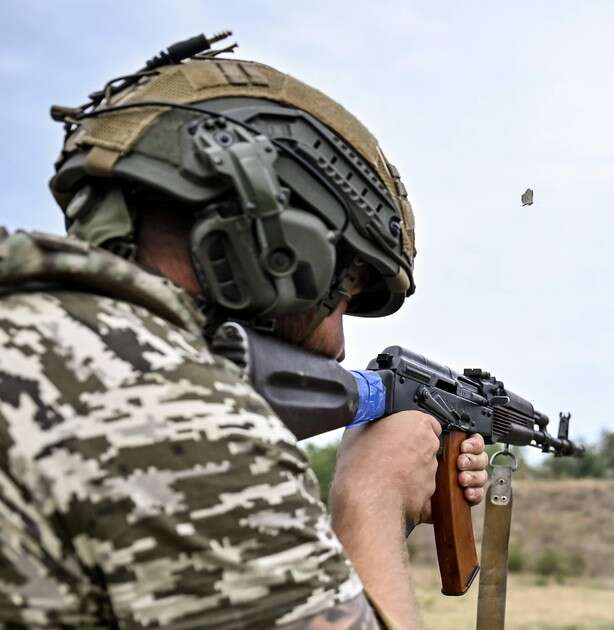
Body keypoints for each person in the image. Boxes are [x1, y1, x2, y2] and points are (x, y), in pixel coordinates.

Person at [0, 49, 487, 628]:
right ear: (279, 251)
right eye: (346, 295)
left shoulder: (38, 330)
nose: (338, 346)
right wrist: (372, 496)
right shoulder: (176, 413)